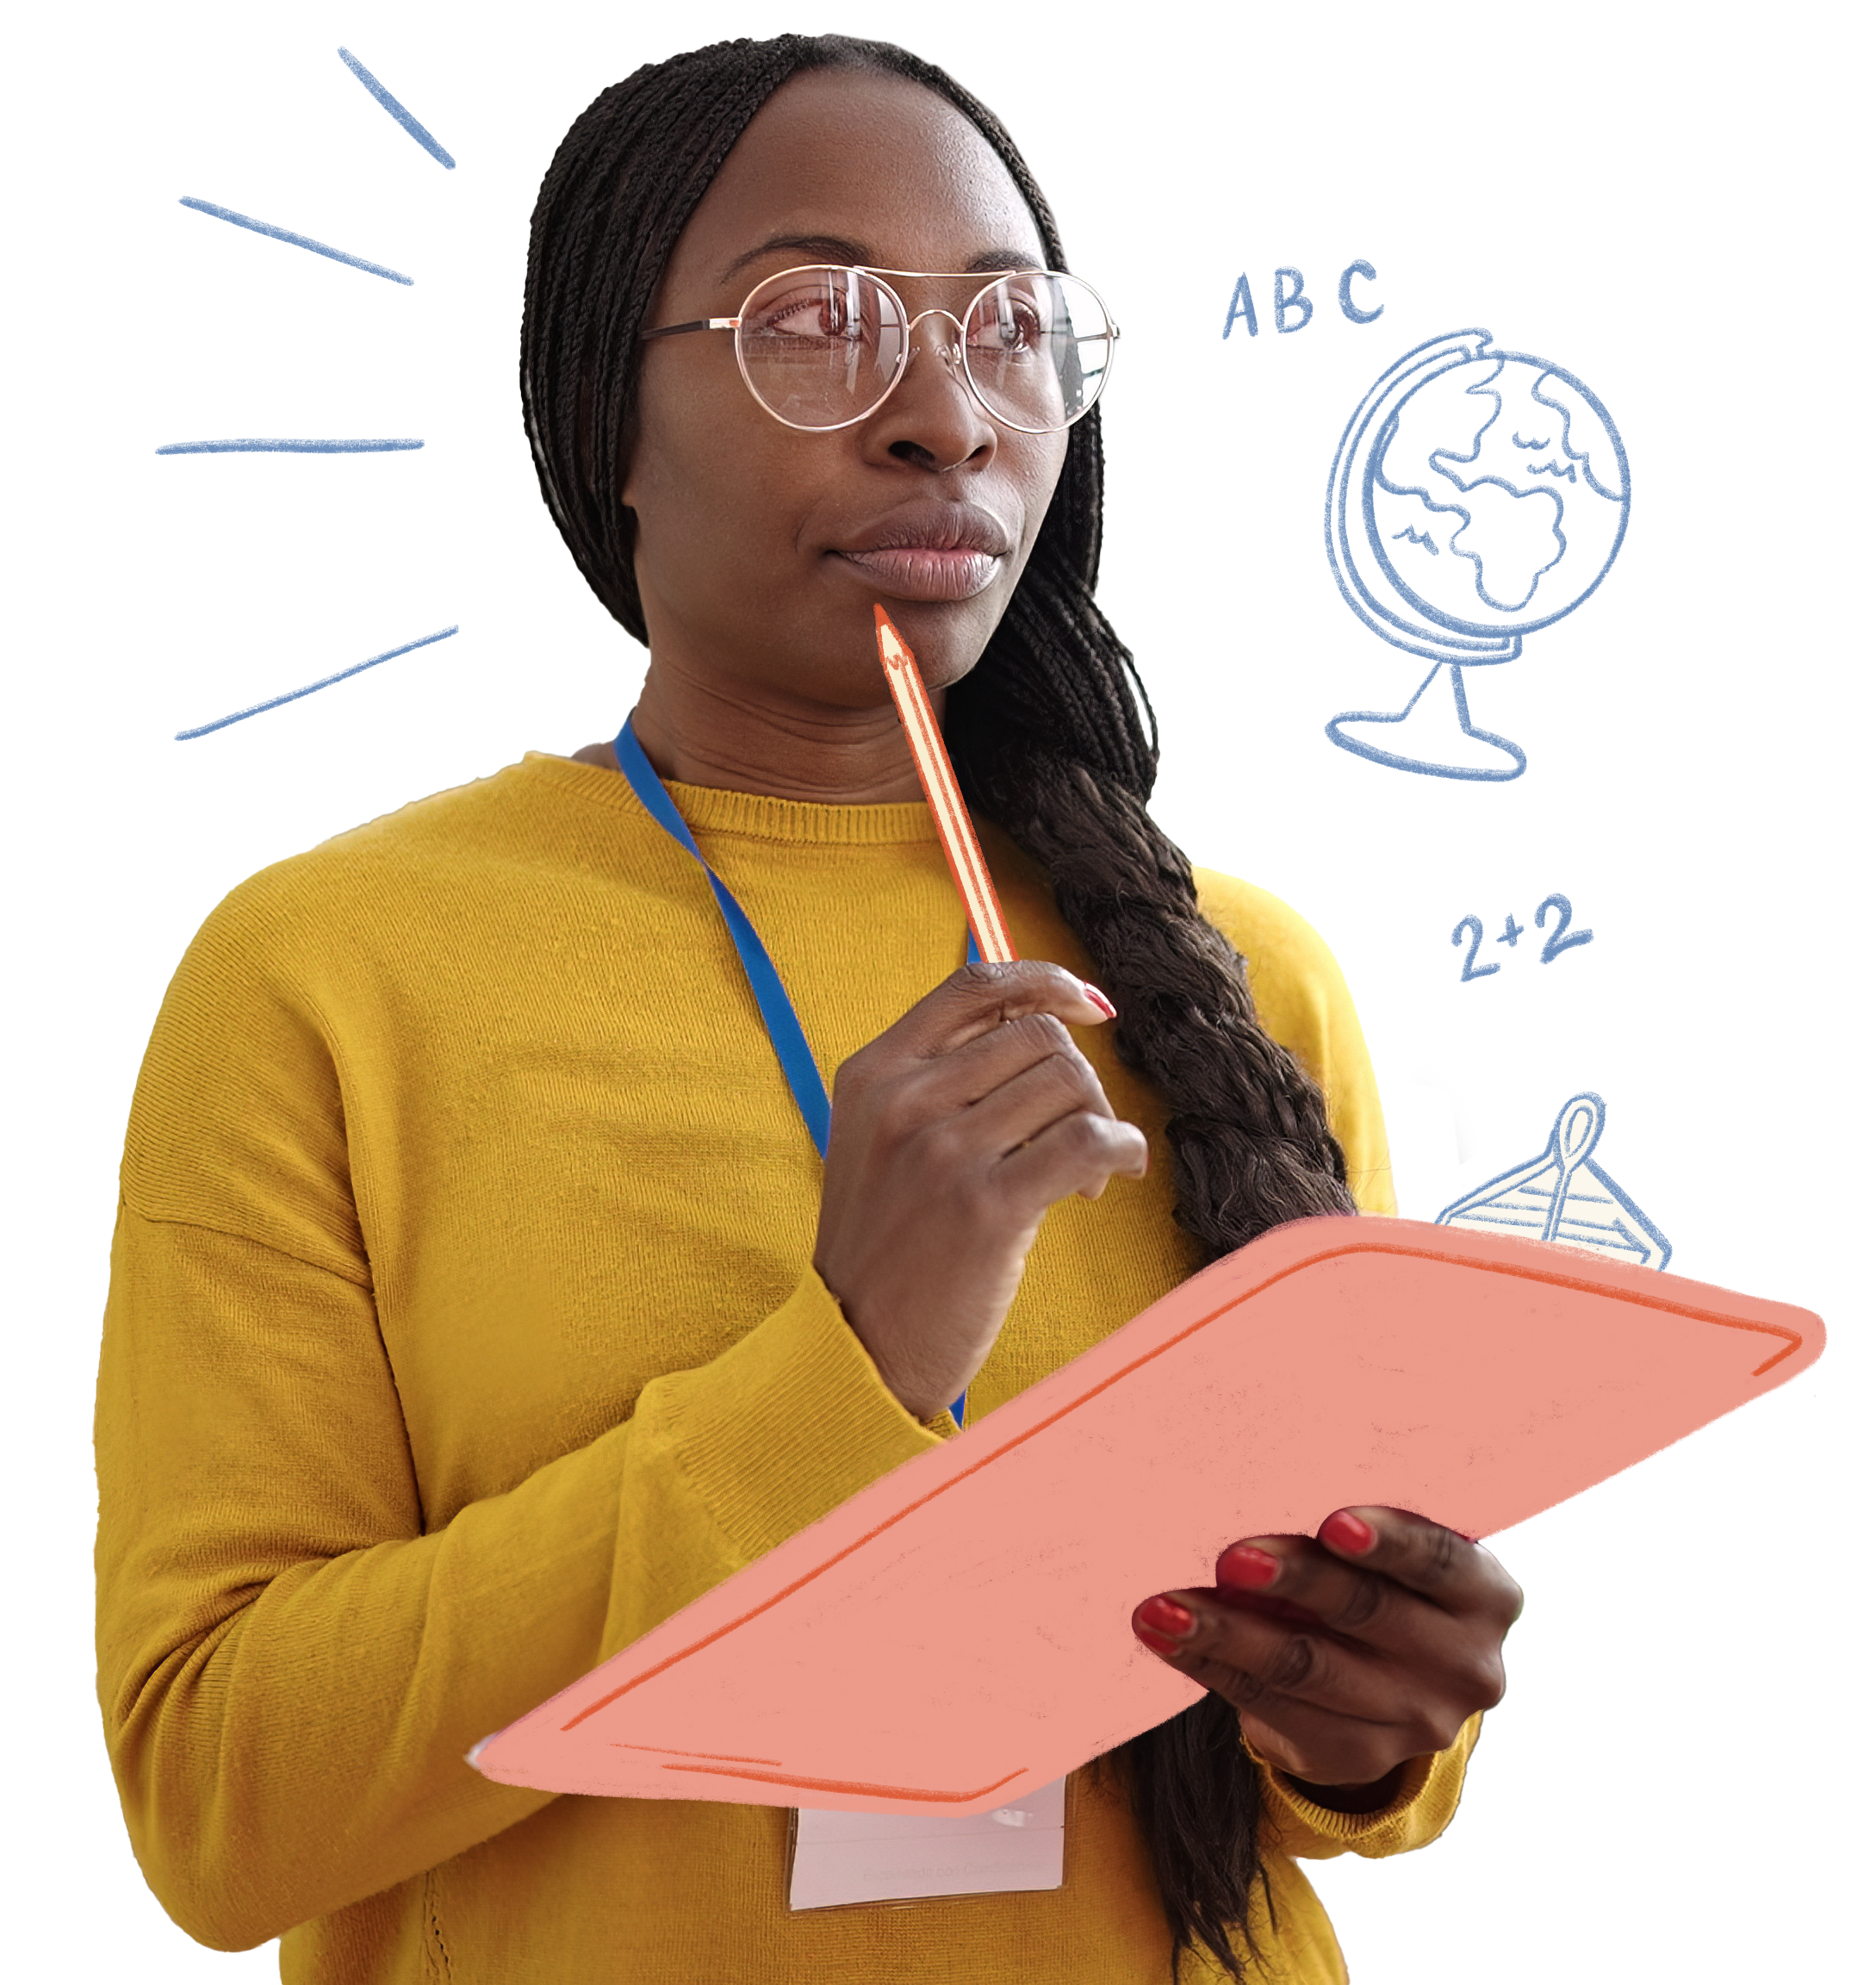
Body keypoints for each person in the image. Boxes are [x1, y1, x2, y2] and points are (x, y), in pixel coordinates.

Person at [91, 33, 1520, 1985]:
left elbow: (1319, 1794)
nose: (946, 414)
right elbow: (218, 1813)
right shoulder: (327, 979)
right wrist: (834, 1370)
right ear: (605, 414)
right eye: (817, 322)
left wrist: (1365, 1735)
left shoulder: (1243, 972)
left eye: (1009, 326)